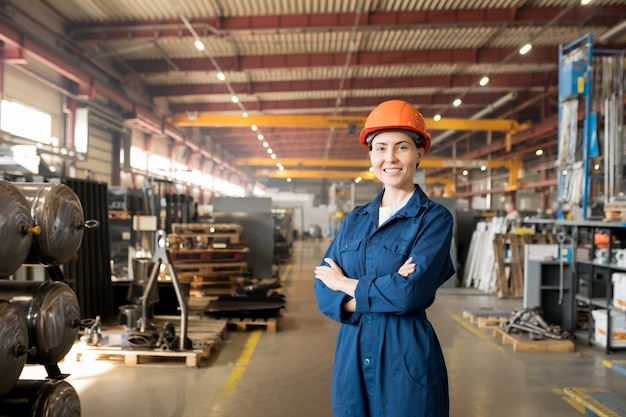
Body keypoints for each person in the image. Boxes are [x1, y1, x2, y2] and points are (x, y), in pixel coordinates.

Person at [314, 100, 455, 417]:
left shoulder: (433, 220)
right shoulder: (355, 219)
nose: (390, 158)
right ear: (370, 156)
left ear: (419, 153)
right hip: (352, 351)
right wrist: (380, 288)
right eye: (380, 148)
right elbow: (324, 291)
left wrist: (346, 283)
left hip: (404, 355)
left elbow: (409, 294)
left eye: (401, 147)